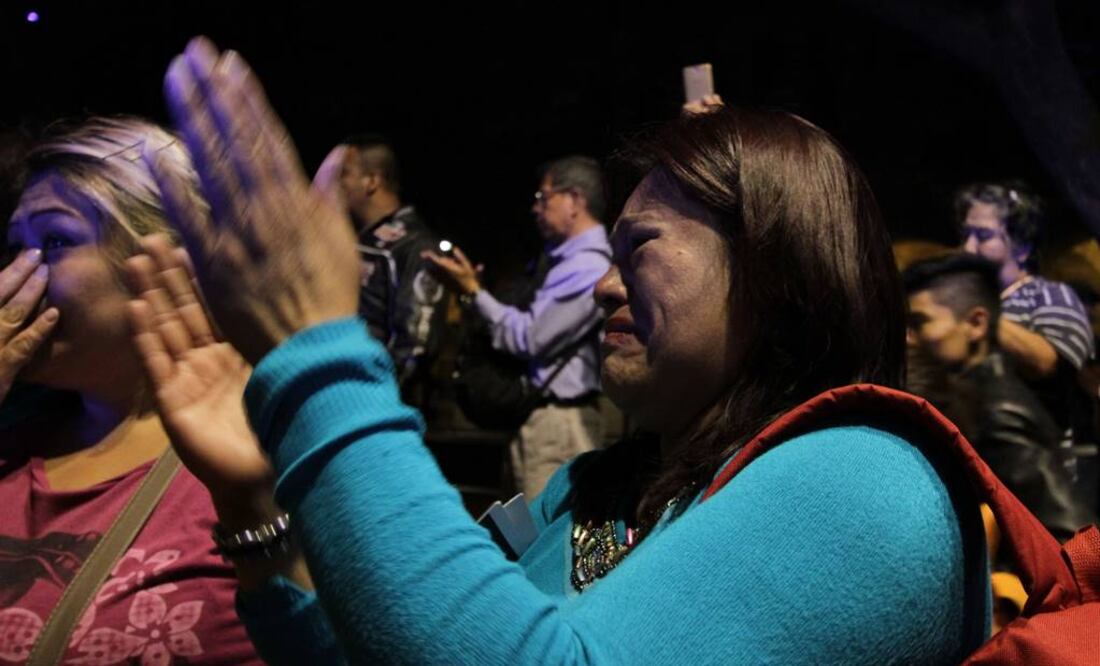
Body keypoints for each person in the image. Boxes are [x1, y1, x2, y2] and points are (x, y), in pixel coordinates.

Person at [133, 38, 991, 664]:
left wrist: (318, 359)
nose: (603, 288)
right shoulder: (598, 491)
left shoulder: (865, 480)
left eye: (640, 248)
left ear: (773, 265)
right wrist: (253, 507)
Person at [0, 117, 262, 663]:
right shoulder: (12, 437)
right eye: (13, 249)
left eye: (53, 241)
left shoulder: (254, 457)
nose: (18, 276)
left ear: (169, 261)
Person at [424, 156, 611, 497]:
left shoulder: (586, 267)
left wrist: (473, 292)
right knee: (525, 537)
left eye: (543, 197)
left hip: (559, 426)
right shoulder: (566, 262)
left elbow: (528, 337)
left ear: (574, 200)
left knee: (542, 542)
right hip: (547, 420)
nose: (535, 208)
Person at [904, 253, 1096, 541]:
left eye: (921, 322)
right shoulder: (968, 397)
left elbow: (1072, 534)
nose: (909, 337)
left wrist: (998, 579)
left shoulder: (996, 411)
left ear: (976, 324)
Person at [958, 182, 1095, 433]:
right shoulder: (966, 297)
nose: (968, 247)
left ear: (1022, 247)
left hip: (1035, 458)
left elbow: (1048, 364)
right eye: (966, 234)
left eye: (984, 236)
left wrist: (973, 316)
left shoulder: (1051, 296)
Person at [338, 134, 446, 404]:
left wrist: (380, 401)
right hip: (344, 396)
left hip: (374, 406)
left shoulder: (414, 246)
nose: (337, 185)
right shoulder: (357, 240)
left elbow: (416, 343)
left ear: (372, 181)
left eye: (345, 175)